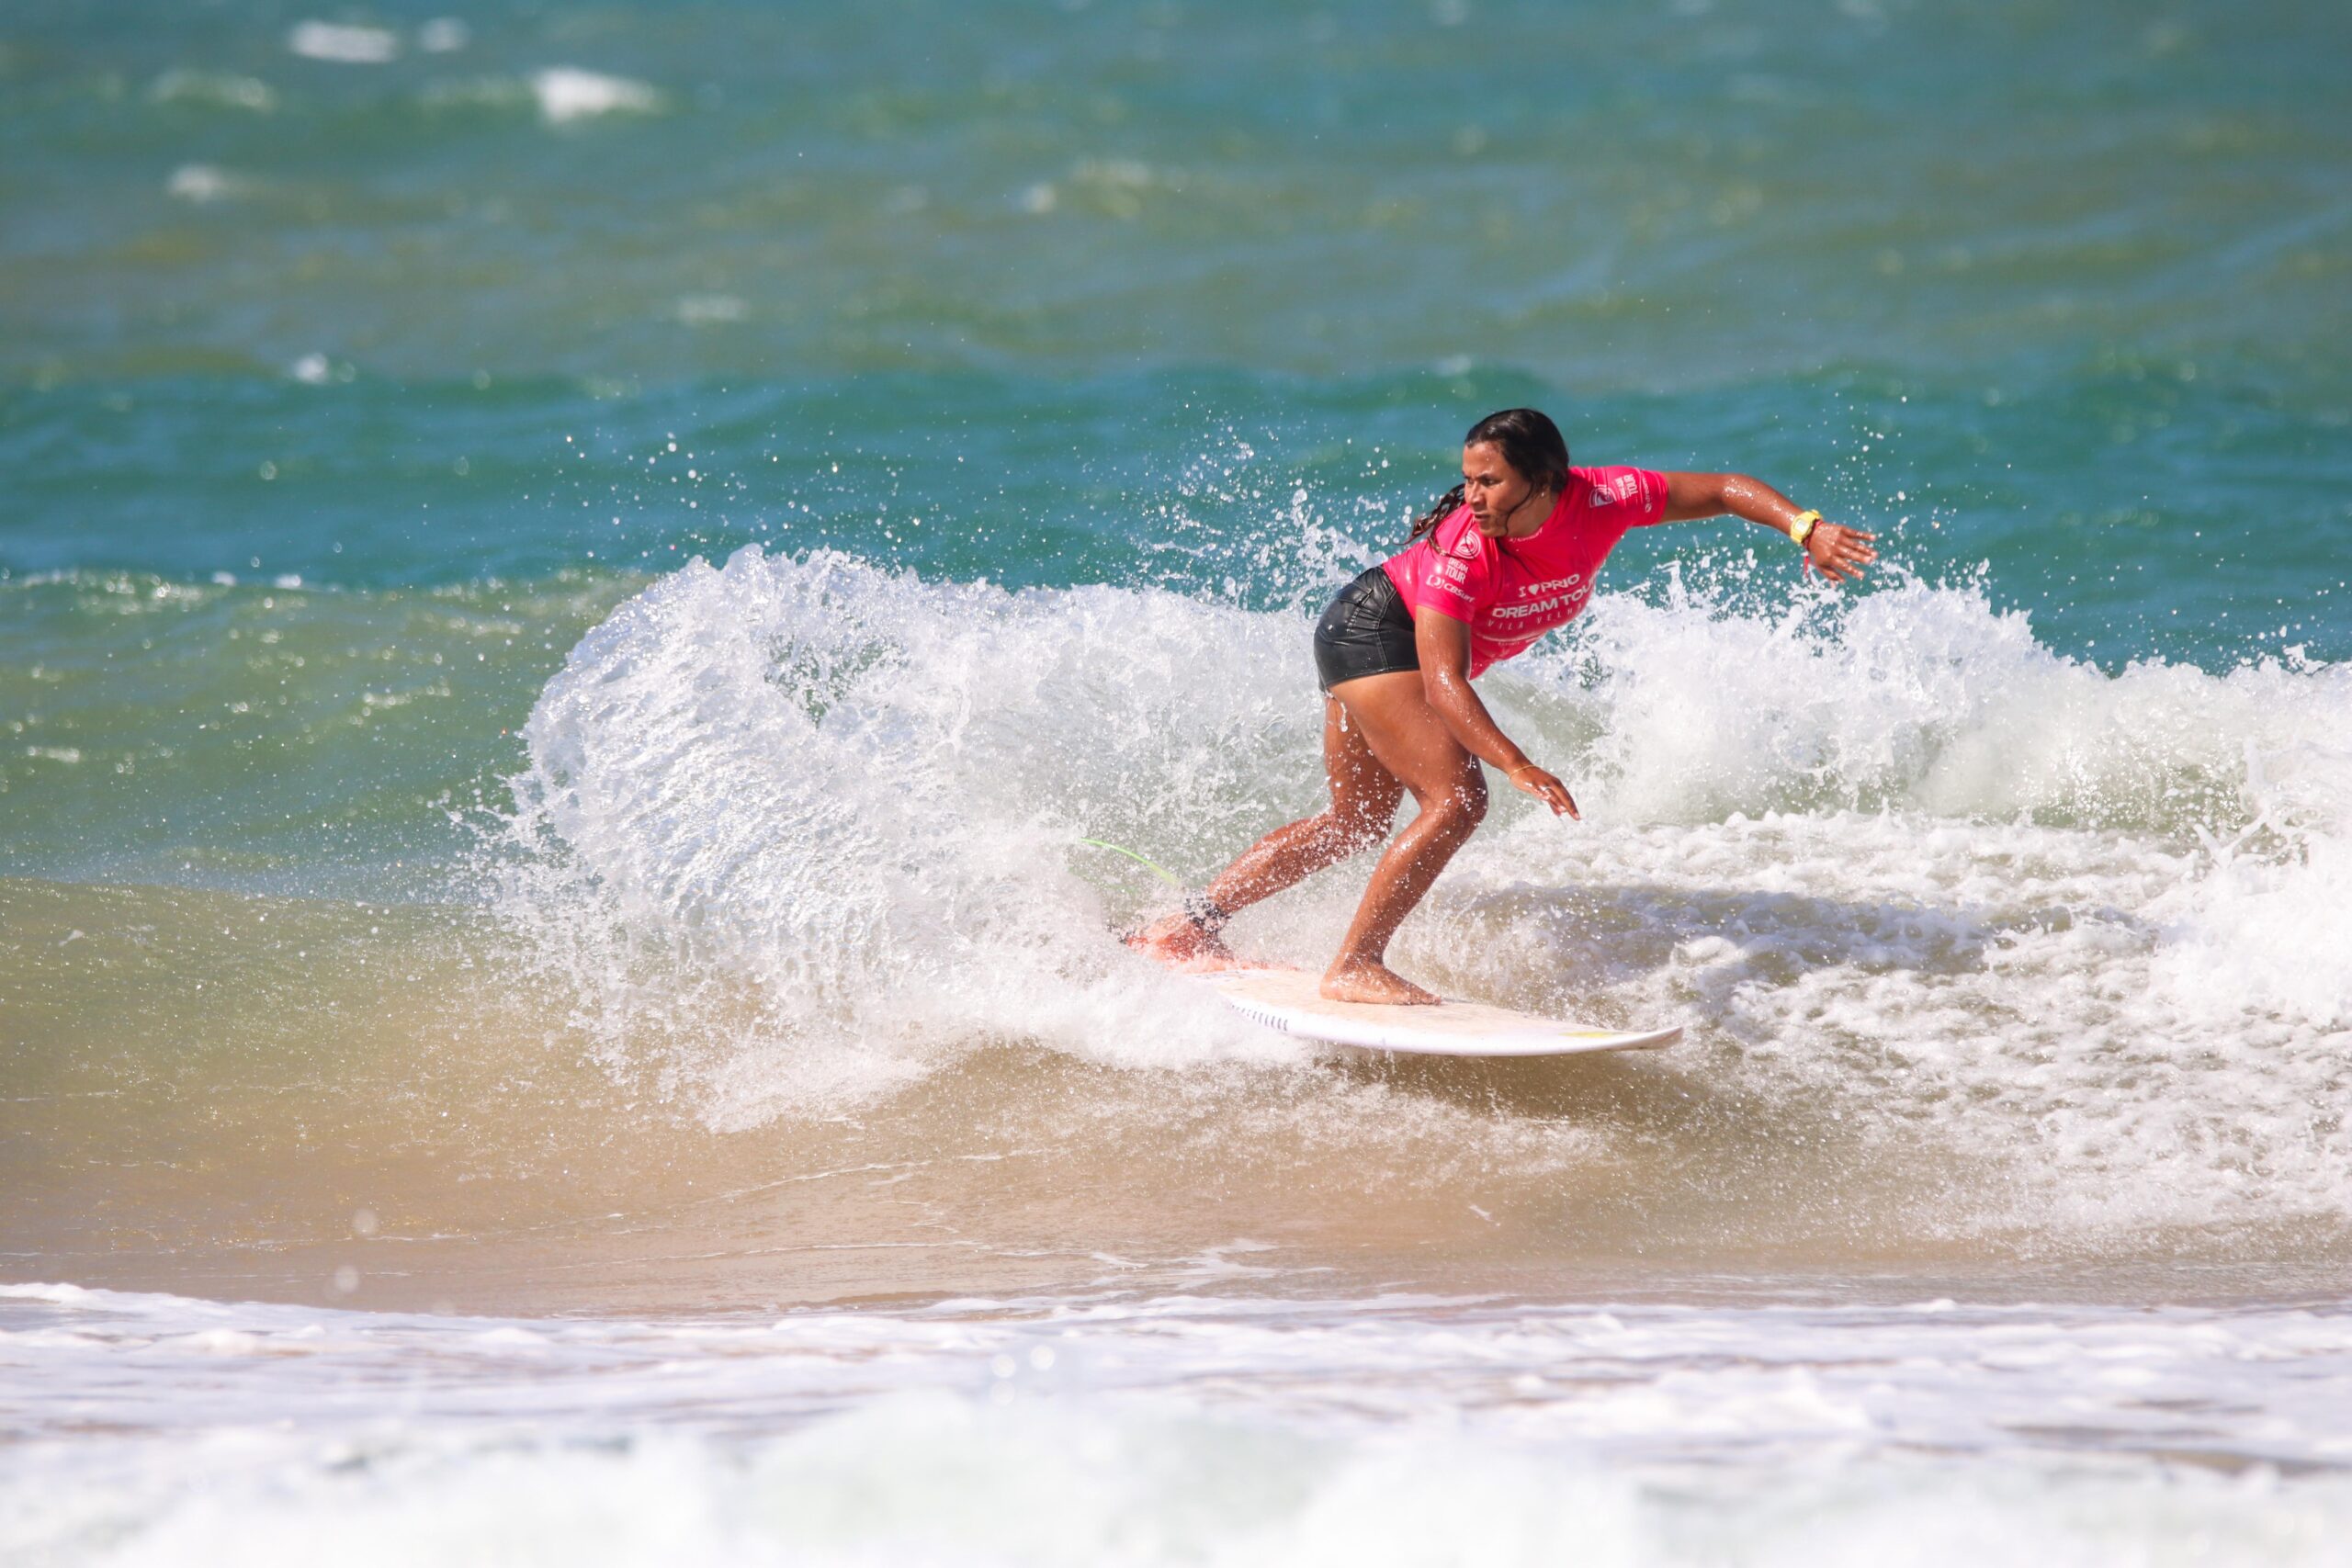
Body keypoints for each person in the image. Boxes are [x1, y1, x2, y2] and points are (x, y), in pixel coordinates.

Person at [1128, 407, 1877, 1005]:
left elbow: (1718, 489)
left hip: (1372, 634)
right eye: (1468, 480)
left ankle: (1183, 928)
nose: (1472, 497)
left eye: (1488, 482)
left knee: (1352, 822)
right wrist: (1514, 761)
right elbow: (1444, 678)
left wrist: (1804, 527)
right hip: (1372, 629)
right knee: (1457, 799)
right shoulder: (1463, 549)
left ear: (1545, 481)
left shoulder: (1607, 497)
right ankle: (1355, 964)